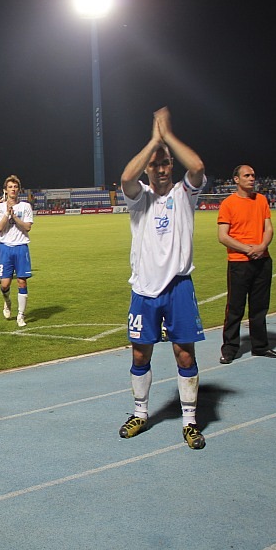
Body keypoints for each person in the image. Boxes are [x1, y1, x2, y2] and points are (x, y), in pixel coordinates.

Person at [118, 107, 207, 450]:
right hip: (143, 289)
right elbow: (126, 177)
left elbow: (197, 167)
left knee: (185, 355)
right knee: (140, 356)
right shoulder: (139, 197)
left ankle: (189, 422)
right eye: (154, 164)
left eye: (165, 162)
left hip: (179, 287)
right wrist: (154, 141)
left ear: (172, 166)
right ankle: (140, 413)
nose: (159, 169)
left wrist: (167, 138)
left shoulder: (185, 194)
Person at [217, 165, 276, 363]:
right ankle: (230, 349)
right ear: (236, 179)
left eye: (253, 175)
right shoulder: (228, 204)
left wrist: (262, 246)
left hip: (262, 261)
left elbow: (268, 228)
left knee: (259, 308)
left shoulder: (261, 200)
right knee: (235, 308)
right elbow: (222, 236)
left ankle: (260, 347)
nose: (252, 178)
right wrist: (248, 249)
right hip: (239, 263)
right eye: (247, 175)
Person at [0, 175, 33, 327]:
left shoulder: (25, 206)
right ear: (5, 190)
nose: (13, 189)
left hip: (21, 247)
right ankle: (7, 302)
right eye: (10, 187)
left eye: (15, 187)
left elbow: (28, 227)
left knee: (22, 282)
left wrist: (14, 216)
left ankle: (21, 316)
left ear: (19, 190)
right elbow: (0, 227)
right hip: (5, 248)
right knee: (4, 284)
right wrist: (7, 214)